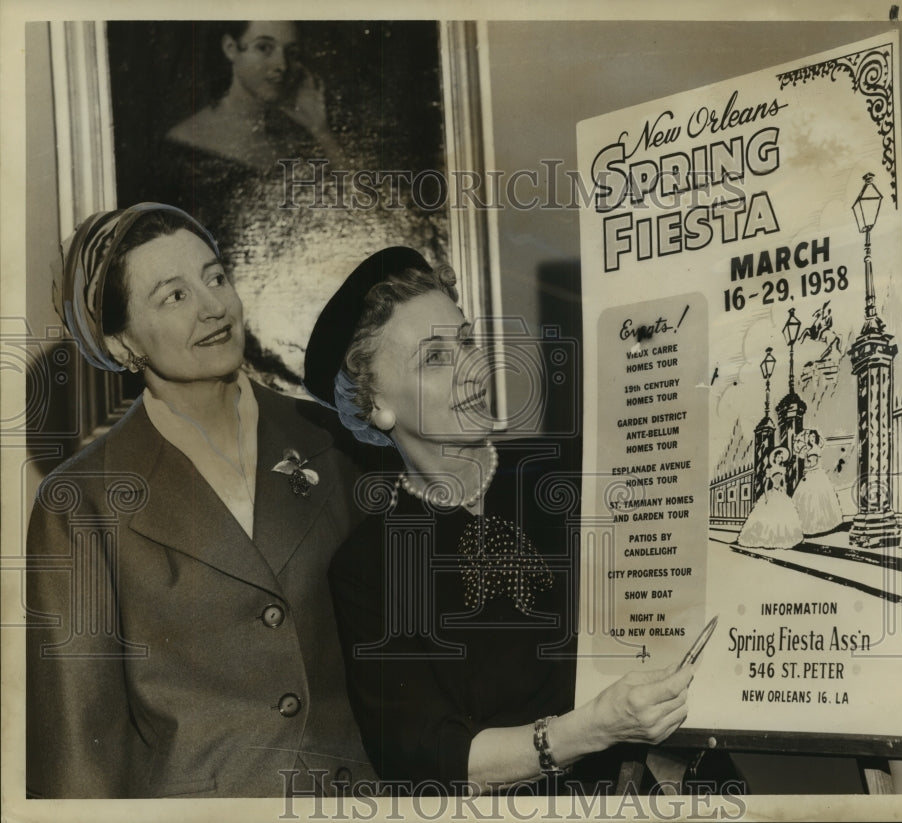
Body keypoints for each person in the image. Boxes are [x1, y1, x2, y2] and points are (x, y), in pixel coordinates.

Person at [304, 247, 693, 794]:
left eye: (465, 340)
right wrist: (591, 729)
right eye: (434, 357)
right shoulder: (372, 568)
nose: (471, 367)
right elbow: (429, 755)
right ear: (376, 405)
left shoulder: (575, 469)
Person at [26, 203, 373, 798]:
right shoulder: (80, 502)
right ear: (121, 340)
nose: (213, 306)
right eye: (174, 296)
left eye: (215, 278)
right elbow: (80, 746)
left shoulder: (333, 440)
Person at [166, 20, 343, 173]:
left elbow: (359, 204)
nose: (281, 65)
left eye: (292, 53)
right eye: (264, 47)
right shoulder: (185, 145)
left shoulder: (295, 138)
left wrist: (320, 130)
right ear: (231, 48)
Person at [737, 446, 804, 550]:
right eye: (778, 457)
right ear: (775, 458)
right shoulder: (770, 469)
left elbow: (784, 483)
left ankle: (781, 539)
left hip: (780, 493)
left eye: (781, 458)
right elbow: (765, 484)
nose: (780, 459)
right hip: (772, 493)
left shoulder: (782, 469)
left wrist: (783, 489)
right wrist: (767, 497)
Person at [791, 428, 844, 536]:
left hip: (816, 473)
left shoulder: (816, 449)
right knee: (805, 498)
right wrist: (806, 466)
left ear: (816, 438)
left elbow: (815, 464)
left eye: (814, 437)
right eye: (810, 437)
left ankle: (819, 525)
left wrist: (808, 468)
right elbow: (807, 463)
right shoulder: (807, 449)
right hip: (810, 473)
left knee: (816, 498)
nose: (812, 438)